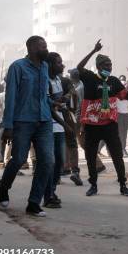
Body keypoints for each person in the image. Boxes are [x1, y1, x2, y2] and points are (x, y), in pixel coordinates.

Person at [0, 36, 55, 217]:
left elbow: (43, 95)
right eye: (42, 46)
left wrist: (53, 103)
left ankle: (33, 203)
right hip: (23, 121)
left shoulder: (45, 67)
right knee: (19, 159)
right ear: (30, 48)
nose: (45, 49)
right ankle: (4, 186)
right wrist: (8, 125)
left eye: (46, 46)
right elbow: (11, 97)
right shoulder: (17, 67)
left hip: (44, 121)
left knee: (47, 161)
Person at [77, 40, 128, 197]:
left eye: (110, 65)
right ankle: (93, 184)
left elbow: (127, 98)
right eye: (106, 66)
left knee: (117, 155)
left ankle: (123, 184)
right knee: (90, 156)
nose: (109, 68)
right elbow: (79, 67)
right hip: (91, 125)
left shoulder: (114, 81)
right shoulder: (90, 78)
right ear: (98, 67)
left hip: (109, 125)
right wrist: (93, 50)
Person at [43, 52, 71, 209]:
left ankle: (51, 191)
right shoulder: (45, 81)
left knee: (59, 161)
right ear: (51, 65)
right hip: (48, 125)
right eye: (59, 63)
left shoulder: (58, 80)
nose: (62, 65)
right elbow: (49, 105)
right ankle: (47, 196)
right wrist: (64, 123)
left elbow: (57, 103)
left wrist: (63, 100)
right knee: (50, 162)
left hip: (59, 126)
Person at [116, 75, 128, 157]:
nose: (123, 82)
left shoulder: (127, 91)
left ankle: (123, 149)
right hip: (119, 114)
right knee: (120, 133)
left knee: (124, 133)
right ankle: (121, 150)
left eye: (124, 80)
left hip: (125, 114)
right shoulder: (116, 92)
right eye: (122, 80)